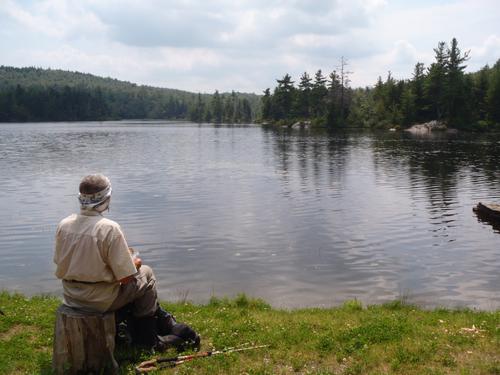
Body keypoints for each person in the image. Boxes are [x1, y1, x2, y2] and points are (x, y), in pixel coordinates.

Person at [54, 174, 199, 351]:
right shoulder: (109, 228)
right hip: (100, 299)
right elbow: (126, 278)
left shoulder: (64, 224)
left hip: (71, 296)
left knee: (138, 277)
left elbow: (61, 262)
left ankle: (155, 325)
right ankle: (147, 338)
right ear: (106, 198)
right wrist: (134, 263)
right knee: (146, 273)